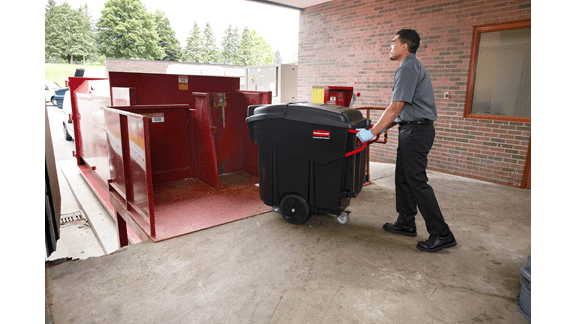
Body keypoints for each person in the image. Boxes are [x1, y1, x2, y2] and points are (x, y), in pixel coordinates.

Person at [356, 29, 457, 252]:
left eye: (392, 42)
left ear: (404, 46)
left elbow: (396, 107)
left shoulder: (408, 67)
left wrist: (371, 132)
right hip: (411, 129)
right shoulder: (410, 67)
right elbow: (402, 112)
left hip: (417, 132)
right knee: (403, 178)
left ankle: (442, 233)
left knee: (417, 182)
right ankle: (406, 222)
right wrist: (380, 129)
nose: (389, 47)